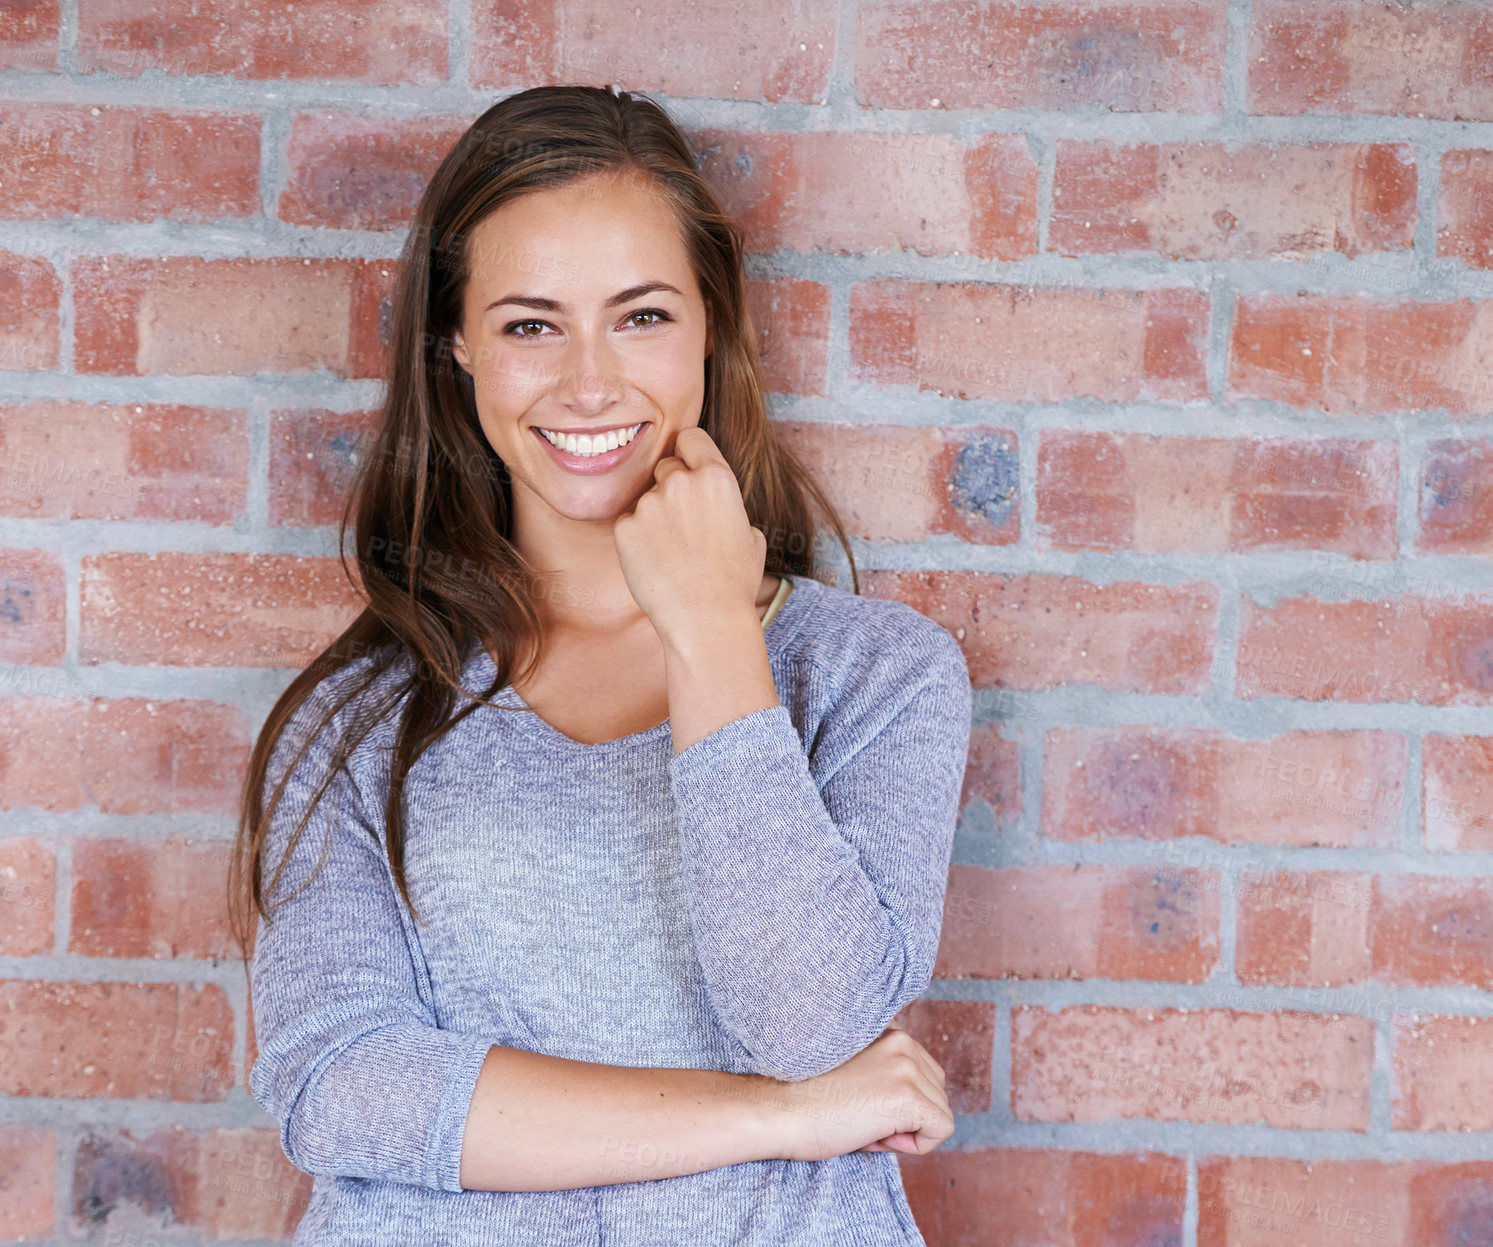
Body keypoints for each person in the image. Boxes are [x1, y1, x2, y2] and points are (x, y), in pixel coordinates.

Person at [228, 83, 973, 1245]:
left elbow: (816, 1021)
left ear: (714, 324)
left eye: (641, 316)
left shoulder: (875, 672)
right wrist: (780, 1119)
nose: (588, 381)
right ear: (458, 345)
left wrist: (717, 635)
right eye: (531, 323)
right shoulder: (361, 716)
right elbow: (343, 1089)